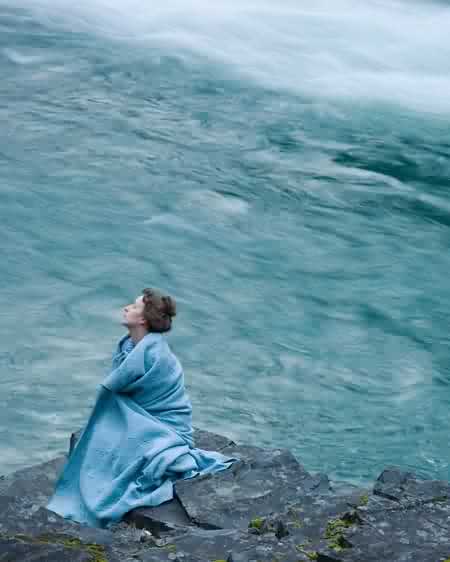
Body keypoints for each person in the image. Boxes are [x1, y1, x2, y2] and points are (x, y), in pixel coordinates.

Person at [47, 288, 236, 528]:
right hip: (143, 416)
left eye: (134, 306)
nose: (126, 308)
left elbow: (114, 391)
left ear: (144, 319)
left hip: (165, 425)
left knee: (115, 439)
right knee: (110, 436)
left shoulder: (154, 353)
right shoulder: (130, 345)